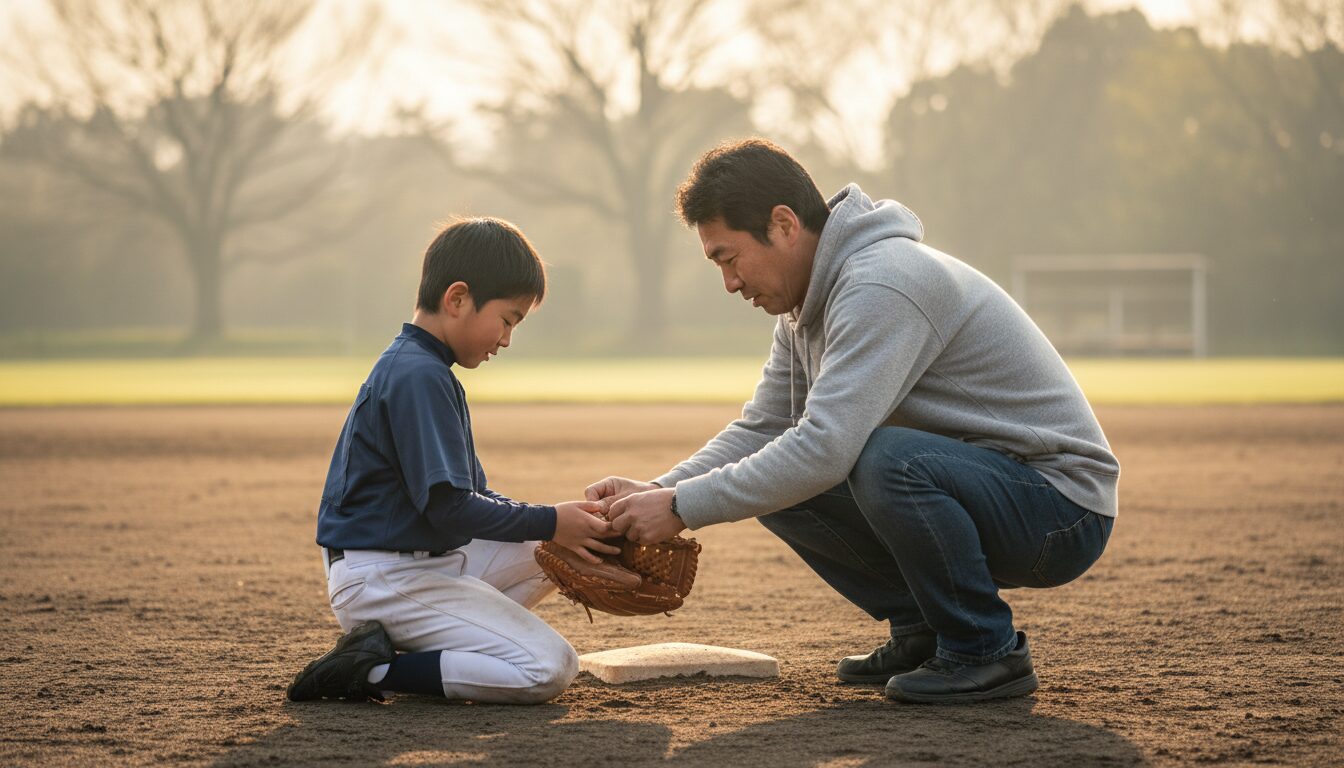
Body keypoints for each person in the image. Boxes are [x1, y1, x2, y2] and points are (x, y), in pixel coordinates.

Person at [590, 139, 1120, 704]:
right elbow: (763, 429)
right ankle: (923, 627)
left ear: (784, 224)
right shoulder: (804, 305)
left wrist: (678, 508)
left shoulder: (881, 283)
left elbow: (825, 449)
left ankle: (983, 648)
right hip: (991, 488)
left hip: (1060, 510)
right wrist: (660, 489)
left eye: (728, 257)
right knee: (778, 476)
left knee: (883, 460)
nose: (730, 282)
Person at [286, 217, 617, 704]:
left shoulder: (426, 368)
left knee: (558, 550)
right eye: (508, 320)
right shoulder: (418, 375)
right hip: (385, 579)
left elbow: (472, 500)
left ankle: (447, 648)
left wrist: (563, 525)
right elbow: (450, 508)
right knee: (549, 667)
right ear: (457, 298)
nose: (506, 339)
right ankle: (370, 670)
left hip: (418, 560)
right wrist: (550, 519)